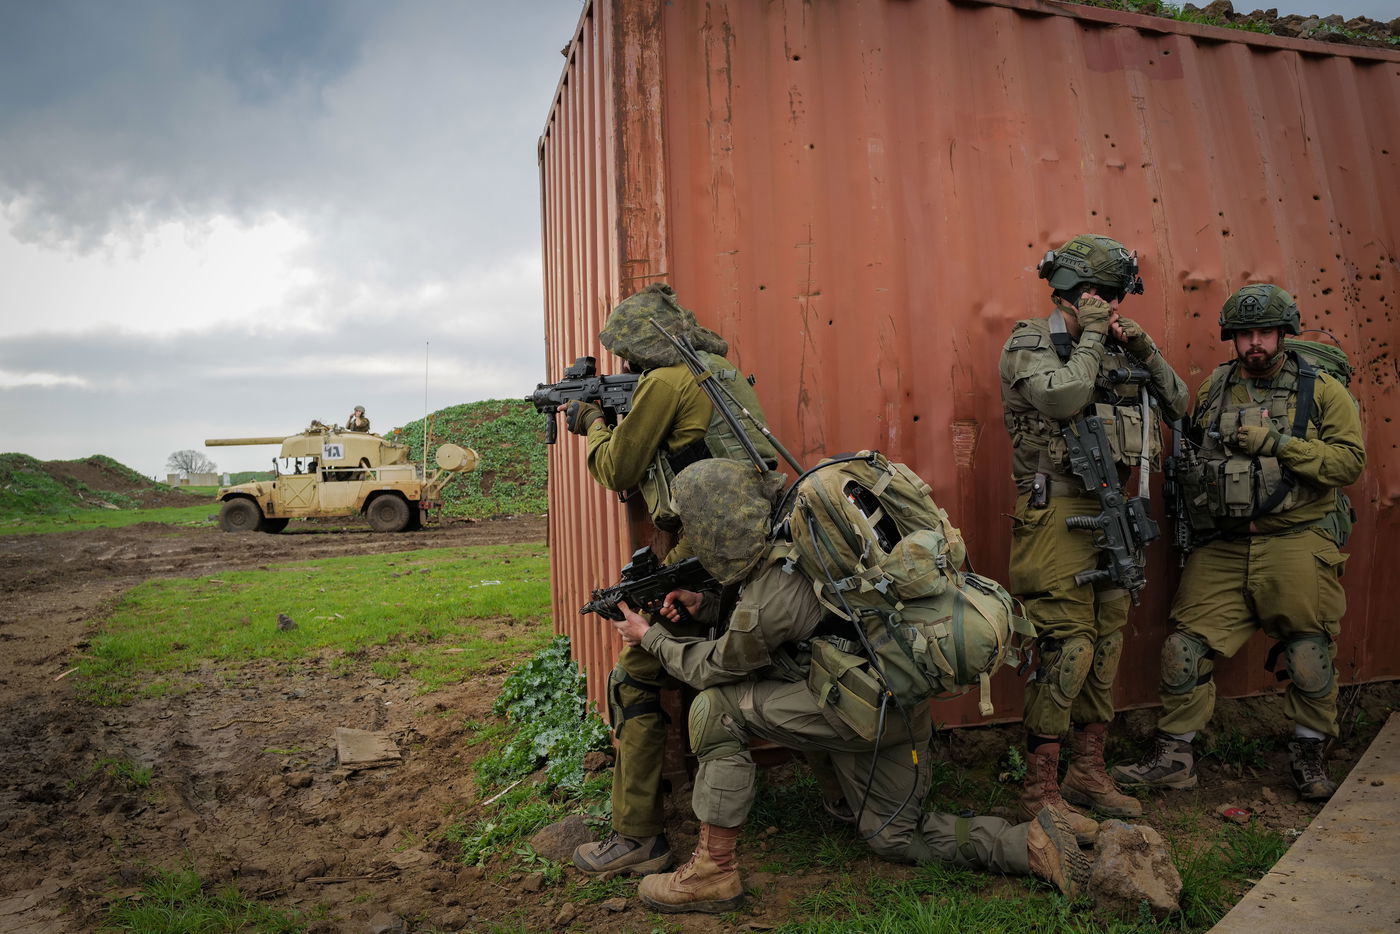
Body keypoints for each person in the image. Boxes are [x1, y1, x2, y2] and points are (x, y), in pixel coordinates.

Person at [606, 459, 1090, 913]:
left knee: (716, 708)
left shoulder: (773, 589)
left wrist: (649, 637)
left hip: (855, 711)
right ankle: (1028, 845)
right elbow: (805, 621)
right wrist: (706, 604)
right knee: (895, 838)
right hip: (901, 702)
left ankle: (712, 871)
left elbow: (717, 666)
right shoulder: (817, 537)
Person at [1112, 284, 1365, 801]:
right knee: (1184, 647)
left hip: (1294, 537)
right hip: (1224, 544)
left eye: (1265, 332)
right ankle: (1174, 758)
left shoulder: (1320, 390)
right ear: (1233, 338)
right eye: (1246, 333)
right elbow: (1191, 439)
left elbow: (1348, 463)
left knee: (1308, 651)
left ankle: (1309, 756)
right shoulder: (1217, 387)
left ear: (1282, 334)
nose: (1256, 342)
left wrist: (1279, 444)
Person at [564, 283, 779, 878]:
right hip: (755, 531)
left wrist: (590, 422)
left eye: (627, 356)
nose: (627, 367)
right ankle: (839, 797)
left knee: (635, 675)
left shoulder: (665, 382)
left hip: (708, 544)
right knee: (782, 656)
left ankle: (637, 836)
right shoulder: (717, 371)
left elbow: (618, 469)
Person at [998, 234, 1189, 841]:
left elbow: (1180, 404)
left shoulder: (1116, 346)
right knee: (1067, 646)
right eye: (1090, 294)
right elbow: (1064, 396)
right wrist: (1089, 336)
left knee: (1106, 643)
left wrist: (1147, 350)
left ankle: (1087, 771)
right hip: (1055, 510)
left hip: (1114, 513)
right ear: (1063, 292)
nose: (1102, 304)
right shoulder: (1033, 341)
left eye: (1110, 294)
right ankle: (1040, 790)